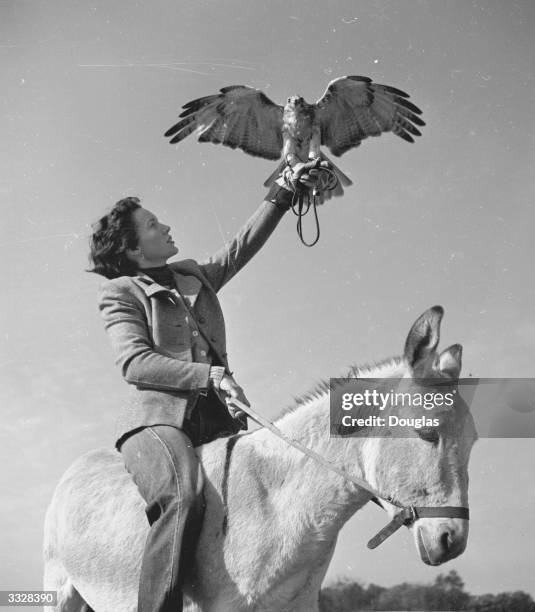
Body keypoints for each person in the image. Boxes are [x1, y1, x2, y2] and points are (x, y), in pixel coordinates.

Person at [88, 160, 324, 612]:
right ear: (136, 250)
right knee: (182, 494)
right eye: (154, 225)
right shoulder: (121, 292)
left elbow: (239, 248)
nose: (167, 225)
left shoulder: (191, 275)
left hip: (219, 420)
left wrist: (285, 190)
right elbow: (135, 363)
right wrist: (210, 375)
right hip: (157, 424)